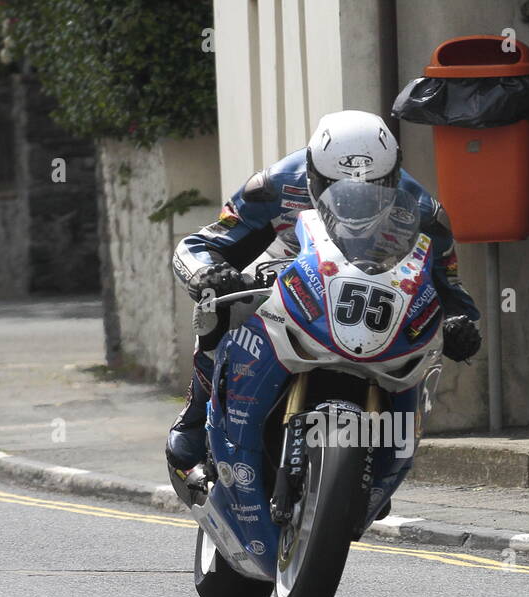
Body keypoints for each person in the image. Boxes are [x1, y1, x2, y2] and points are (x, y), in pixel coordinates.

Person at [167, 109, 482, 472]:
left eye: (375, 186)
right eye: (335, 186)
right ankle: (195, 416)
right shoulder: (274, 185)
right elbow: (202, 242)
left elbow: (450, 287)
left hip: (372, 289)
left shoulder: (426, 211)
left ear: (393, 175)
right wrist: (208, 273)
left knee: (419, 349)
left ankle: (382, 461)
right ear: (313, 173)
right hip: (285, 269)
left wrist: (461, 324)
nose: (353, 198)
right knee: (217, 307)